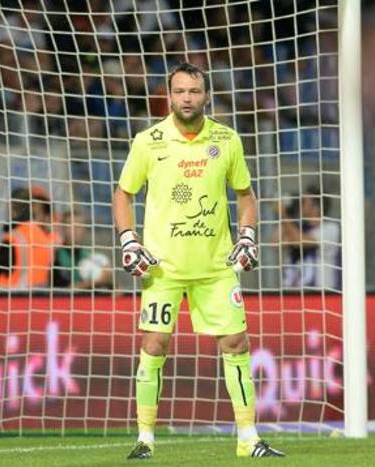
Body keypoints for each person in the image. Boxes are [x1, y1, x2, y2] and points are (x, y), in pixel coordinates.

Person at [112, 62, 285, 459]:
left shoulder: (227, 139)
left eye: (193, 91)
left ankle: (248, 439)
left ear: (206, 95)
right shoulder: (148, 141)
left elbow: (246, 195)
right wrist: (128, 240)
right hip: (163, 268)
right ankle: (145, 439)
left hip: (216, 268)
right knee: (154, 344)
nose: (186, 98)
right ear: (169, 96)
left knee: (236, 342)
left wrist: (247, 236)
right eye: (179, 91)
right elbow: (123, 194)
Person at [0, 185, 62, 288]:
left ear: (12, 209)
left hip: (15, 296)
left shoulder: (14, 238)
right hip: (41, 296)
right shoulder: (43, 237)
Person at [276, 187, 341, 289]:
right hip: (294, 291)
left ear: (316, 206)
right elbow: (275, 242)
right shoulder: (298, 228)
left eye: (303, 202)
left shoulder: (330, 229)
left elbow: (298, 241)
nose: (299, 205)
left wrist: (283, 215)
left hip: (321, 292)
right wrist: (287, 213)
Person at [52, 205, 112, 289]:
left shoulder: (89, 255)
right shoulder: (57, 257)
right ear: (63, 229)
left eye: (79, 226)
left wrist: (110, 281)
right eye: (72, 226)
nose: (76, 230)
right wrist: (97, 281)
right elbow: (65, 290)